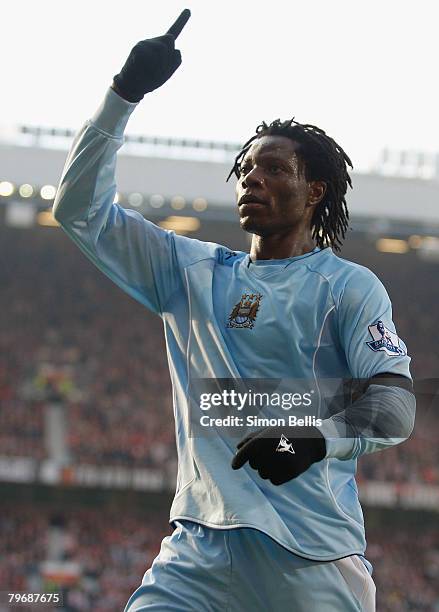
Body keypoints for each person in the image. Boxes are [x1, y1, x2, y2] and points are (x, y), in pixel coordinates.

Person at [53, 10, 416, 611]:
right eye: (246, 169)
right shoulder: (188, 271)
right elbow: (79, 212)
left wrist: (316, 437)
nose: (252, 179)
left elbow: (396, 404)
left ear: (315, 192)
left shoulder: (348, 287)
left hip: (309, 559)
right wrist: (123, 94)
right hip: (195, 551)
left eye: (274, 169)